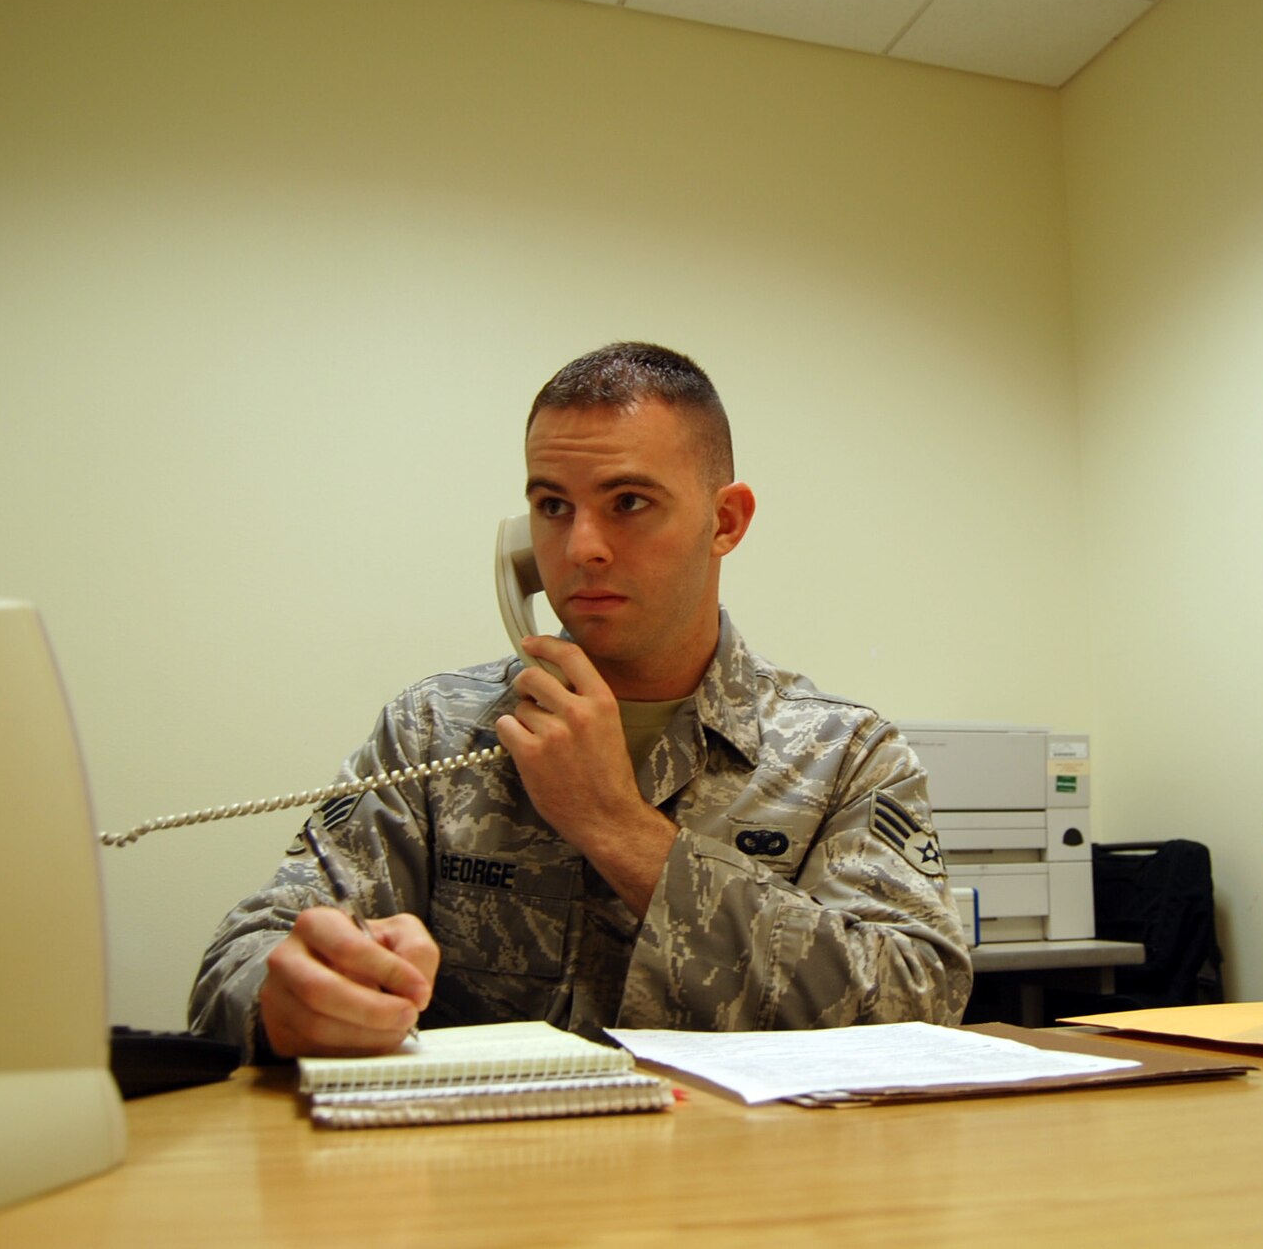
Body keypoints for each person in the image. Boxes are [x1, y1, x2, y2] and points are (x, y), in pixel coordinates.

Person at [189, 342, 971, 1059]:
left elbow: (920, 998)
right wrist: (285, 998)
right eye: (553, 506)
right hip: (481, 1181)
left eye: (628, 502)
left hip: (733, 1190)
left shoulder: (844, 755)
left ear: (724, 521)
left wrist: (618, 828)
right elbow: (245, 952)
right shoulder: (436, 731)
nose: (581, 547)